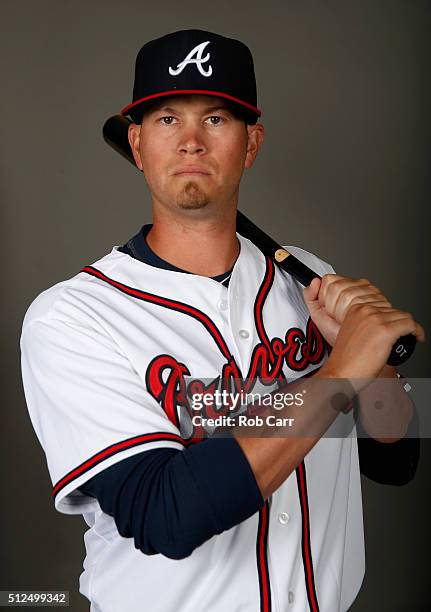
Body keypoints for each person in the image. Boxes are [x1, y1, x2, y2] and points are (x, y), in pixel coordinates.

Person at [20, 29, 424, 612]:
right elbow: (167, 515)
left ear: (251, 144)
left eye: (215, 119)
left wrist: (378, 367)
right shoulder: (74, 317)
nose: (191, 142)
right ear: (136, 145)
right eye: (165, 120)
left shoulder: (311, 278)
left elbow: (396, 455)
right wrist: (339, 374)